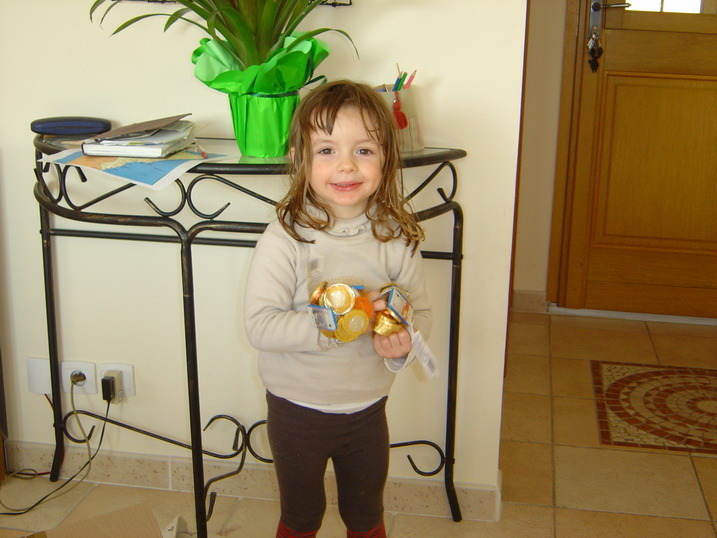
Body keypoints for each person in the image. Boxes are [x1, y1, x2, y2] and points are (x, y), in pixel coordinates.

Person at [244, 79, 432, 538]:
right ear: (300, 159)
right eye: (327, 150)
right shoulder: (286, 238)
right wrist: (341, 324)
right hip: (296, 409)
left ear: (386, 157)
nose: (346, 164)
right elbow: (261, 327)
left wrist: (401, 345)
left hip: (368, 409)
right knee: (302, 516)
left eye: (364, 150)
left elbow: (420, 315)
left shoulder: (397, 237)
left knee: (366, 515)